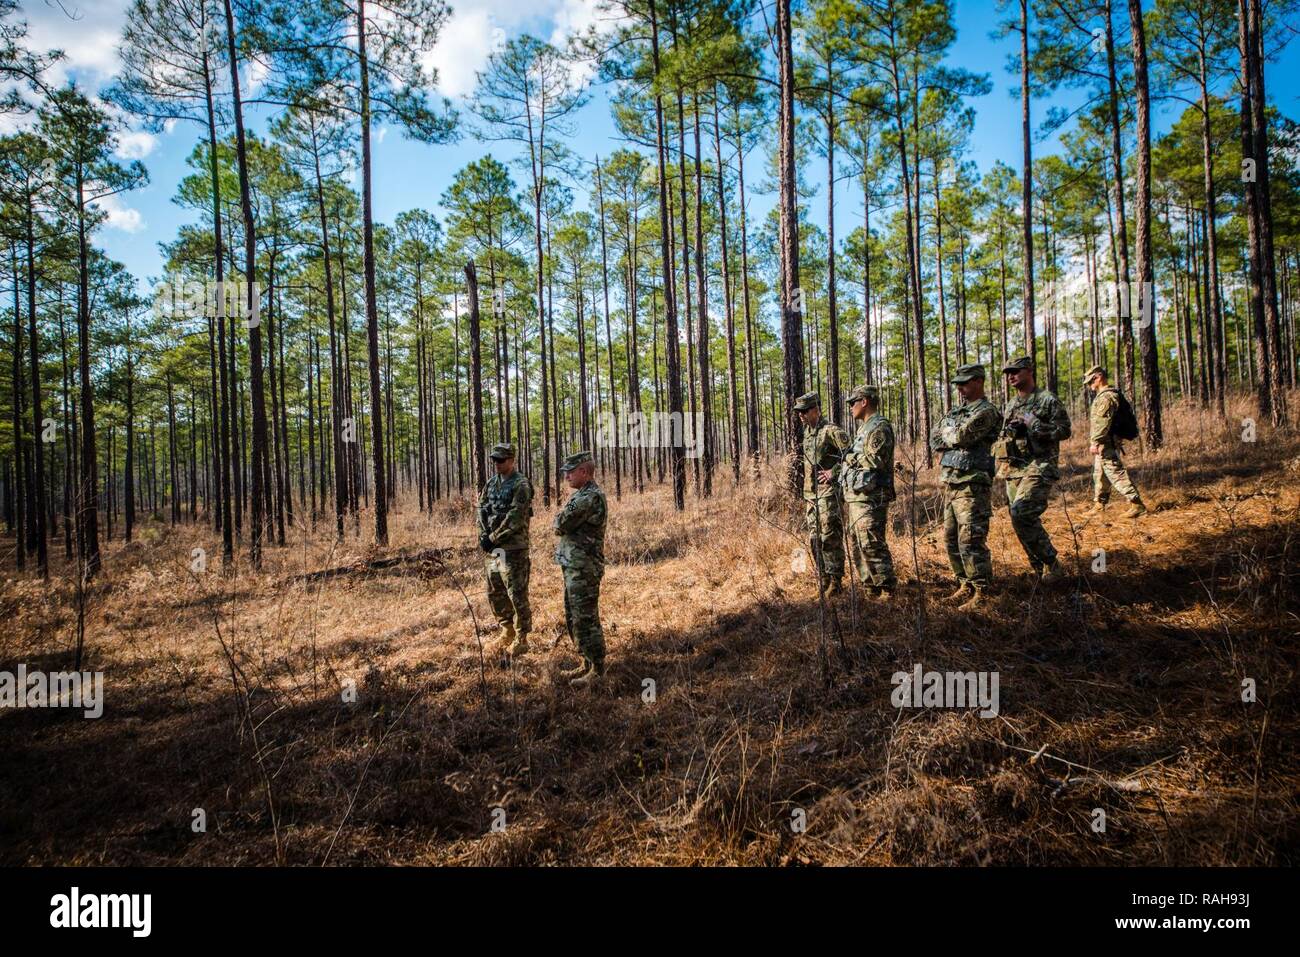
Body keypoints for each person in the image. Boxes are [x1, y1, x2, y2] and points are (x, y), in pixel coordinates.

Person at [929, 364, 1001, 608]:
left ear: (979, 381)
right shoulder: (957, 411)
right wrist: (952, 433)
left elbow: (962, 436)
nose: (960, 387)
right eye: (958, 383)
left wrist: (952, 433)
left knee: (970, 538)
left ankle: (983, 591)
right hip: (952, 482)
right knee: (950, 538)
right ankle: (965, 583)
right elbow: (935, 438)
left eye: (965, 382)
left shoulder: (987, 411)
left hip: (972, 482)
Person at [997, 356, 1072, 581]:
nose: (1011, 376)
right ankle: (1038, 569)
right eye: (1008, 373)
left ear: (1030, 371)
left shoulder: (1047, 399)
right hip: (1015, 468)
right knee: (1017, 519)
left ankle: (1052, 563)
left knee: (1022, 512)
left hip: (1040, 465)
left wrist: (1034, 424)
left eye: (1015, 371)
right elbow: (1005, 434)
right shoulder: (1012, 404)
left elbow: (1065, 430)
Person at [554, 451, 608, 687]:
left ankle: (597, 668)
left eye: (570, 471)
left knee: (586, 617)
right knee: (574, 616)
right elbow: (562, 522)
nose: (566, 476)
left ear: (584, 472)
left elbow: (560, 523)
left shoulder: (589, 498)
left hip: (584, 568)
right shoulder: (582, 495)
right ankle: (586, 661)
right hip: (574, 565)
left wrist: (559, 520)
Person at [476, 443, 533, 658]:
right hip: (493, 549)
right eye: (495, 460)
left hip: (513, 549)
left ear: (512, 460)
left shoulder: (521, 484)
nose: (497, 464)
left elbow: (516, 517)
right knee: (495, 591)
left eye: (501, 460)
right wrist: (483, 534)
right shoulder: (491, 484)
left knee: (516, 593)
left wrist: (493, 537)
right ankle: (506, 629)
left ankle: (522, 637)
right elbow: (481, 509)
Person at [839, 385, 896, 597]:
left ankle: (887, 590)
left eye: (853, 403)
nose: (850, 407)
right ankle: (870, 588)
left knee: (872, 542)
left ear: (864, 402)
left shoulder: (879, 427)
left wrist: (850, 457)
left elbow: (875, 459)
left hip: (872, 495)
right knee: (857, 543)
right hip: (858, 494)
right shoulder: (864, 428)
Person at [794, 391, 850, 595]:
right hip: (811, 495)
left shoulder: (830, 430)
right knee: (815, 538)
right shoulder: (808, 433)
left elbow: (850, 453)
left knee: (830, 537)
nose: (800, 415)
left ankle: (836, 582)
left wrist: (833, 472)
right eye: (798, 412)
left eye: (804, 411)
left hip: (828, 494)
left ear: (815, 409)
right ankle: (823, 579)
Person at [1083, 366, 1147, 518]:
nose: (1090, 385)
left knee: (1114, 472)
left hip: (1106, 441)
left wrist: (1095, 442)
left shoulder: (1107, 396)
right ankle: (1099, 505)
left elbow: (1102, 422)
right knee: (1100, 473)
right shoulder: (1105, 395)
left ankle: (1136, 503)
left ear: (1098, 377)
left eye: (1091, 381)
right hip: (1105, 441)